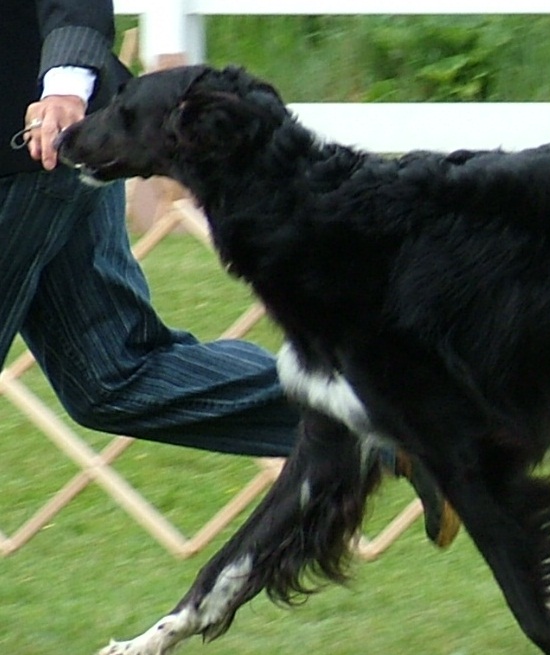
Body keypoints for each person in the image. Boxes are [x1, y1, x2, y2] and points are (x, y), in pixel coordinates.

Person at [4, 1, 457, 544]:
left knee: (118, 370)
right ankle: (394, 421)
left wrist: (64, 86)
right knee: (114, 374)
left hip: (40, 132)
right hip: (55, 143)